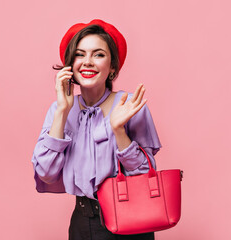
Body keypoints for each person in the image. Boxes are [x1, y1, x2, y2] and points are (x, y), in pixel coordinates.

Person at [31, 19, 161, 240]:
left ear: (112, 67)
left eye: (98, 54)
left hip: (131, 219)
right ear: (70, 65)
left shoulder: (129, 105)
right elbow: (46, 173)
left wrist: (119, 131)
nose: (87, 62)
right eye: (80, 55)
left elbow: (145, 176)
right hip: (82, 222)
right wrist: (62, 111)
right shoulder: (60, 109)